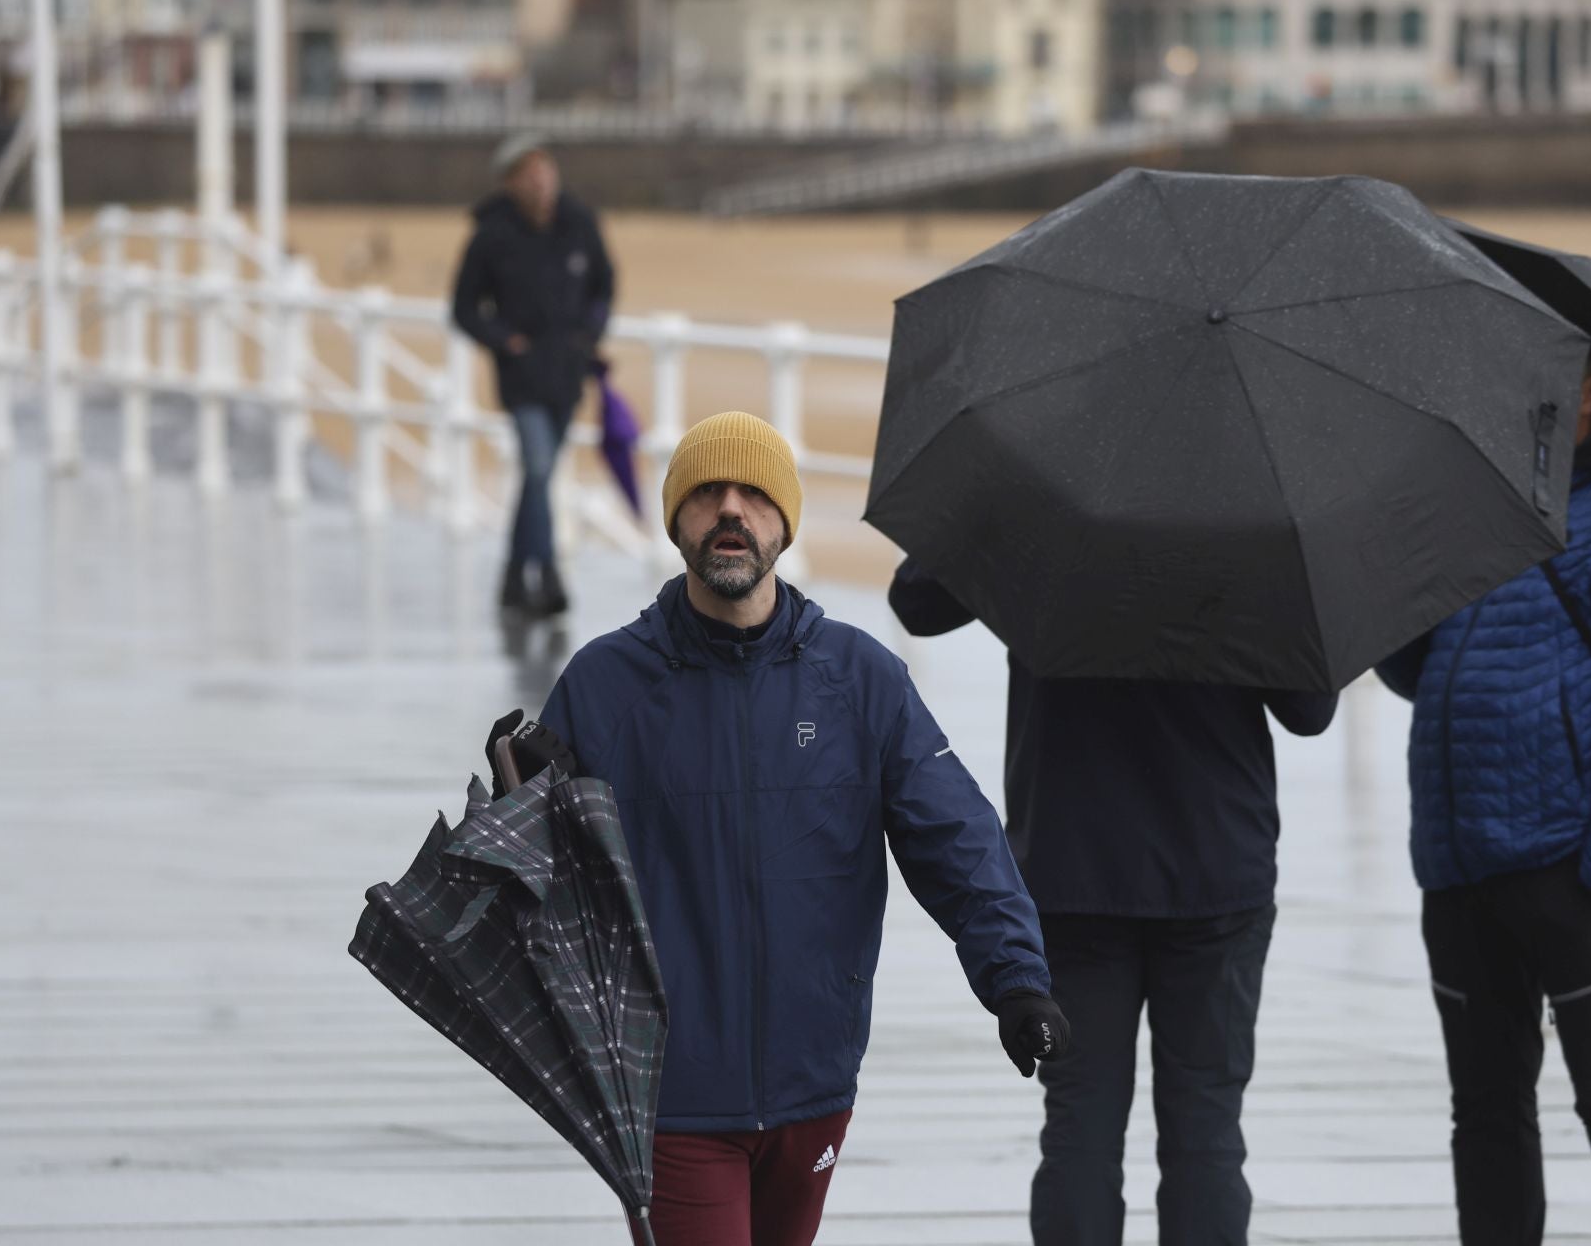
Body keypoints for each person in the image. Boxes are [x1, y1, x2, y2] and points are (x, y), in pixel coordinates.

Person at [487, 412, 1069, 1245]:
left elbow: (955, 833)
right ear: (678, 521)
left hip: (817, 1082)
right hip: (668, 1089)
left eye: (754, 494)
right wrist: (513, 806)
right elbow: (536, 895)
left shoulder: (859, 679)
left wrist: (1016, 980)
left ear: (784, 523)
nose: (731, 510)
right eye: (708, 494)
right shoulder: (607, 685)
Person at [889, 563, 1337, 1246]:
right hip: (1215, 868)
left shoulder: (1046, 502)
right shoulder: (1244, 520)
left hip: (1075, 864)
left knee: (1078, 1128)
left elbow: (916, 599)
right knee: (1206, 1128)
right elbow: (1310, 709)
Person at [1376, 346, 1591, 1246]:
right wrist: (1393, 566)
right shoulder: (1477, 524)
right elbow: (1421, 669)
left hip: (1569, 868)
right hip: (1459, 867)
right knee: (1485, 1116)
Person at [452, 133, 614, 617]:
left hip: (567, 374)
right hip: (521, 376)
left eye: (545, 170)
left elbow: (604, 285)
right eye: (528, 173)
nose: (540, 181)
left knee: (537, 478)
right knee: (540, 466)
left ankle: (511, 574)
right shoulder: (490, 236)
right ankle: (547, 575)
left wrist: (589, 335)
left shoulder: (579, 223)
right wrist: (505, 340)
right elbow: (464, 308)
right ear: (509, 183)